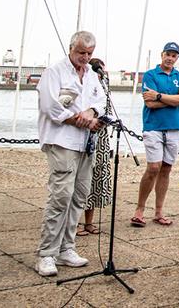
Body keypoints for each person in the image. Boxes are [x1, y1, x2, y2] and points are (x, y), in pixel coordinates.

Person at [35, 31, 104, 277]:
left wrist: (93, 112)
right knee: (61, 197)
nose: (85, 58)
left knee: (79, 196)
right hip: (61, 141)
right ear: (71, 48)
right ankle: (46, 253)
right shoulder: (54, 72)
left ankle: (67, 247)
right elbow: (50, 106)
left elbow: (101, 99)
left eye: (89, 54)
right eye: (81, 52)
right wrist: (79, 120)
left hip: (85, 144)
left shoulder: (93, 76)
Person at [130, 42, 179, 227]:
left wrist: (159, 96)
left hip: (174, 127)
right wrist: (173, 100)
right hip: (153, 126)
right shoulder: (150, 75)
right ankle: (139, 209)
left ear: (177, 58)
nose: (170, 58)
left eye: (174, 55)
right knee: (153, 167)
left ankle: (158, 212)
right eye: (168, 54)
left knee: (166, 169)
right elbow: (150, 103)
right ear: (162, 54)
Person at [77, 58, 112, 236]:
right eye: (99, 70)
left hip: (102, 139)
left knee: (96, 181)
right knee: (81, 180)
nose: (101, 73)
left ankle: (89, 222)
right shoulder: (84, 86)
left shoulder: (104, 87)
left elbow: (108, 110)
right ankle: (74, 222)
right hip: (86, 136)